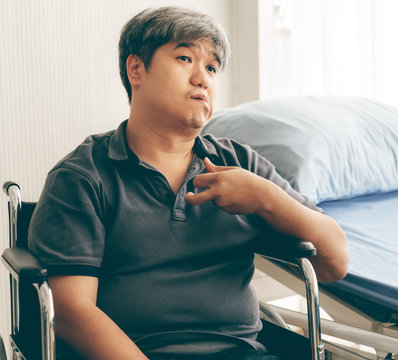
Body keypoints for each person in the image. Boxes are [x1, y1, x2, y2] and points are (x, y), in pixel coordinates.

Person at [28, 6, 348, 360]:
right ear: (136, 69)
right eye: (185, 58)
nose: (203, 78)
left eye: (211, 68)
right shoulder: (83, 176)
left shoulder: (240, 164)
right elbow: (72, 311)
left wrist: (266, 198)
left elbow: (335, 263)